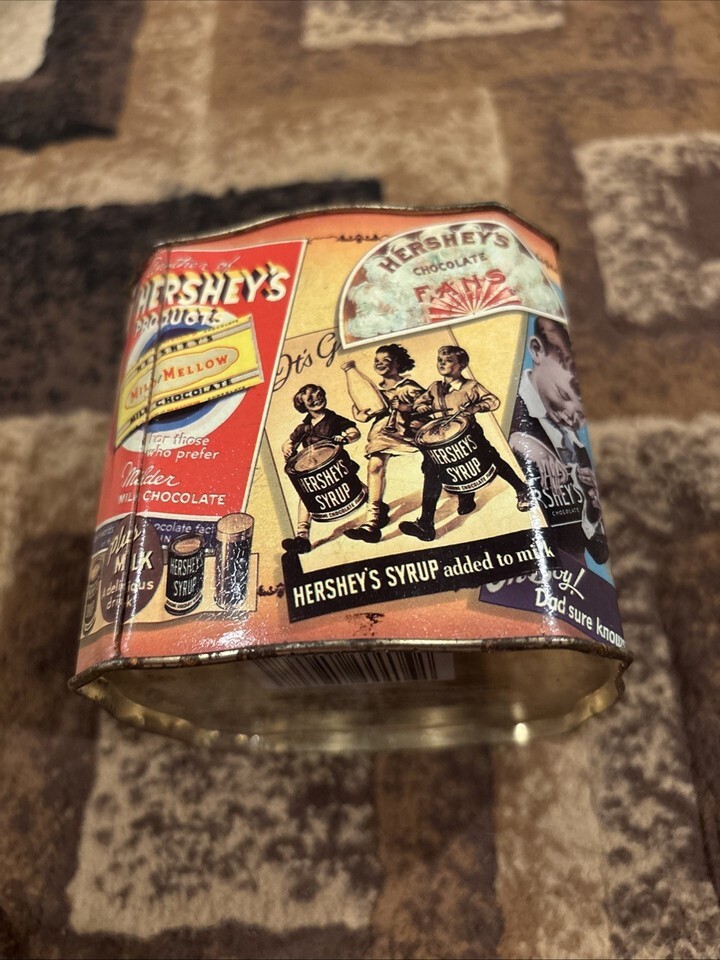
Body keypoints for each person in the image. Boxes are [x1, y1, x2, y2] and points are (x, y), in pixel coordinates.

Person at [400, 345, 531, 542]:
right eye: (440, 360)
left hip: (469, 435)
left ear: (461, 365)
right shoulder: (435, 387)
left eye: (448, 361)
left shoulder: (470, 387)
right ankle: (426, 524)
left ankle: (522, 489)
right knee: (433, 472)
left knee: (492, 460)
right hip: (441, 440)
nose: (442, 363)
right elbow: (420, 402)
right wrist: (422, 407)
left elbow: (493, 401)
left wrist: (475, 407)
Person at [508, 316, 608, 564]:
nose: (571, 416)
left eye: (581, 411)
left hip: (572, 563)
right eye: (563, 395)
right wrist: (522, 443)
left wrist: (593, 511)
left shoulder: (578, 443)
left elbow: (600, 554)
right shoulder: (510, 402)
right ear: (536, 350)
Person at [343, 343, 426, 544]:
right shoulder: (372, 389)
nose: (379, 364)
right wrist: (361, 415)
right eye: (376, 361)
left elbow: (427, 406)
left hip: (409, 432)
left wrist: (406, 407)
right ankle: (371, 523)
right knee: (375, 466)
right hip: (382, 434)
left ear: (398, 363)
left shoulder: (409, 387)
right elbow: (363, 408)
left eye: (386, 360)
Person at [281, 384, 360, 553]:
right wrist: (287, 449)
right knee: (306, 497)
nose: (316, 399)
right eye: (310, 398)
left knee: (354, 487)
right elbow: (289, 442)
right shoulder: (304, 427)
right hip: (312, 469)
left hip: (336, 464)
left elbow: (354, 432)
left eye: (319, 395)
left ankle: (377, 510)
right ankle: (302, 538)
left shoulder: (334, 419)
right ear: (303, 404)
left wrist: (345, 438)